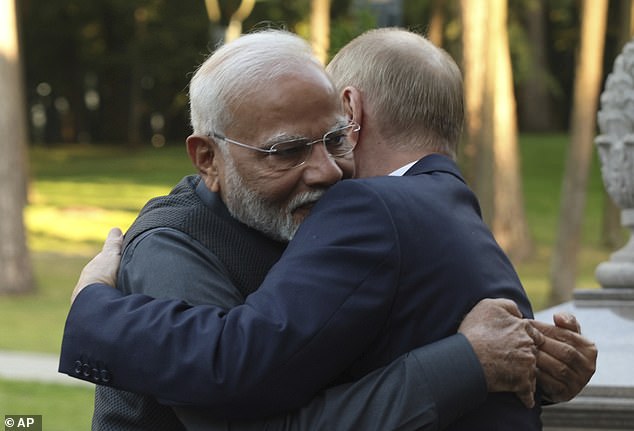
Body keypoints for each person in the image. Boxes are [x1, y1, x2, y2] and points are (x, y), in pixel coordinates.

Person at [60, 28, 597, 430]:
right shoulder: (174, 246)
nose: (328, 171)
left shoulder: (327, 220)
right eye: (287, 151)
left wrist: (533, 362)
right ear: (207, 158)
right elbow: (242, 394)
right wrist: (469, 361)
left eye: (336, 140)